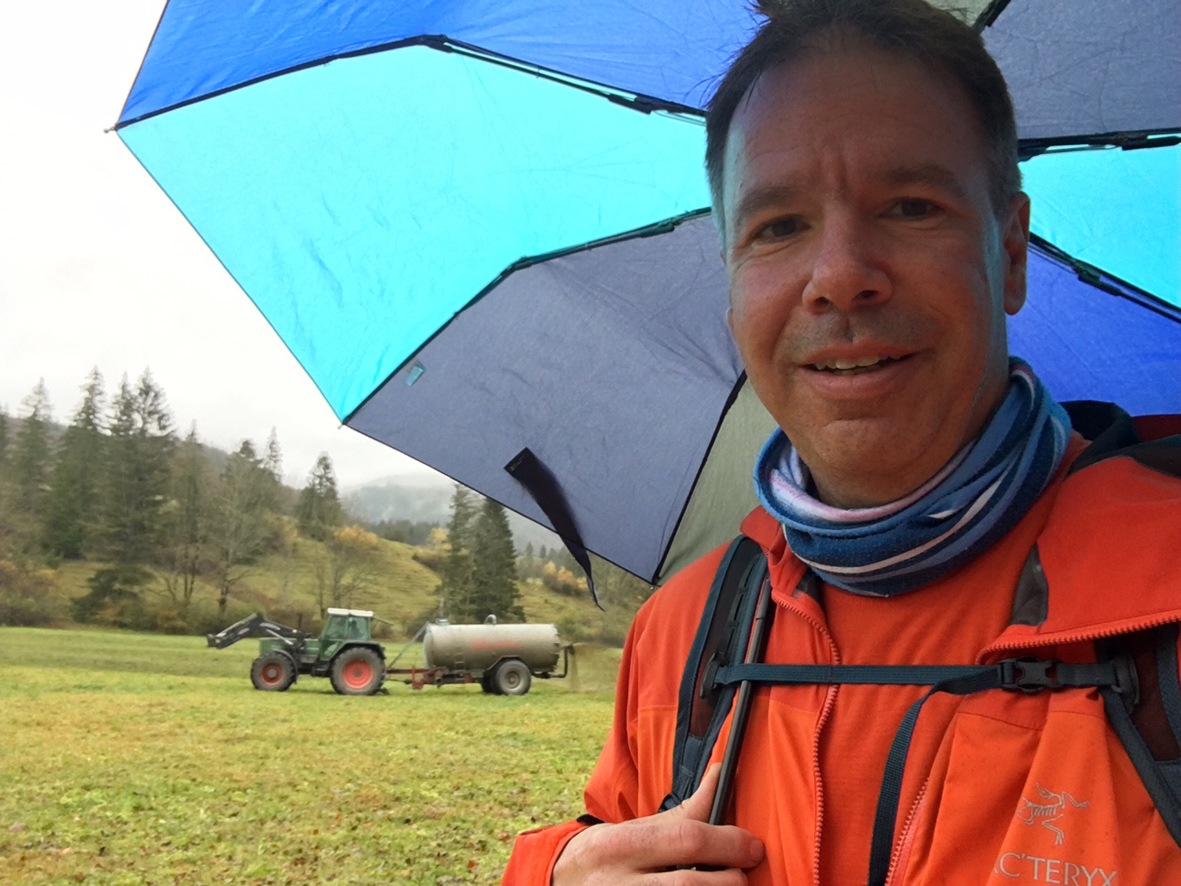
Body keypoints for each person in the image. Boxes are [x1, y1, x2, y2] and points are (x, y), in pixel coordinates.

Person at [502, 0, 1181, 883]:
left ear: (1010, 252)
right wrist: (558, 872)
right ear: (730, 284)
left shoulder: (1163, 598)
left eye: (909, 206)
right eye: (777, 227)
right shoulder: (682, 632)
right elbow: (618, 829)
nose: (839, 277)